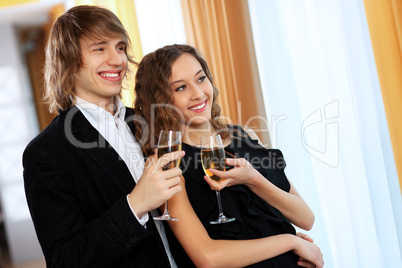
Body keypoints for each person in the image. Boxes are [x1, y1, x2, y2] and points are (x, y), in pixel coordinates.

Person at [22, 6, 187, 267]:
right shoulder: (45, 153)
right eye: (100, 48)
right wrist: (135, 205)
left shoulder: (152, 122)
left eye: (120, 47)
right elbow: (64, 260)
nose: (117, 60)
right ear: (69, 61)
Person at [133, 44, 324, 268]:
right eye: (181, 88)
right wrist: (291, 242)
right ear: (160, 100)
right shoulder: (168, 163)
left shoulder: (245, 135)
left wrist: (253, 178)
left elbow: (305, 218)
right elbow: (207, 258)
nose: (198, 93)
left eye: (201, 78)